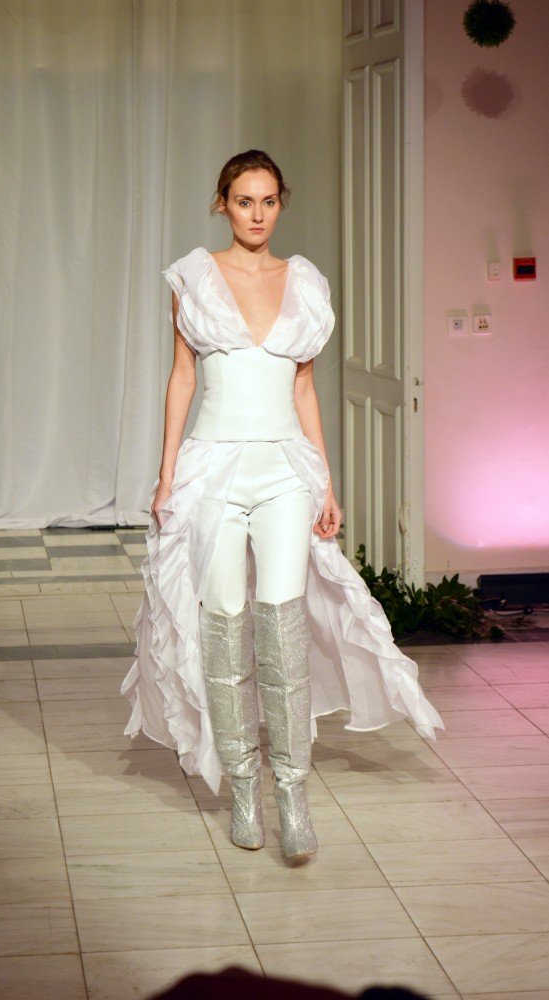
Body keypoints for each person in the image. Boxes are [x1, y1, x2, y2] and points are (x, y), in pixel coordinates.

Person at [121, 149, 445, 861]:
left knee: (282, 628)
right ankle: (243, 787)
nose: (257, 214)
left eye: (268, 201)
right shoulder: (193, 278)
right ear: (222, 203)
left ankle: (292, 795)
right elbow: (182, 378)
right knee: (223, 626)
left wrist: (325, 482)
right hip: (212, 468)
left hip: (283, 472)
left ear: (280, 203)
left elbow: (303, 388)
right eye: (244, 201)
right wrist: (166, 475)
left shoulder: (303, 282)